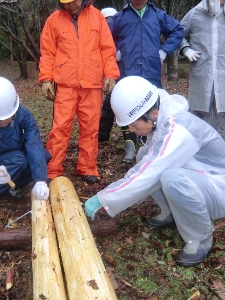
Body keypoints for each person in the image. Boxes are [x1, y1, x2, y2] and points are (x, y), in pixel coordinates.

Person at [85, 76, 225, 266]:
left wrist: (103, 199)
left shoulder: (179, 128)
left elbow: (149, 173)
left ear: (152, 114)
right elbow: (149, 164)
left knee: (171, 177)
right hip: (202, 180)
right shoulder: (161, 117)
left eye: (134, 125)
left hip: (222, 193)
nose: (131, 129)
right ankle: (169, 211)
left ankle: (200, 236)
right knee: (145, 154)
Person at [39, 0, 120, 184]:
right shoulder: (54, 20)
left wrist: (111, 74)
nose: (71, 5)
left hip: (92, 84)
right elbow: (47, 52)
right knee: (59, 128)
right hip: (65, 84)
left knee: (91, 128)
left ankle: (88, 166)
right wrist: (46, 78)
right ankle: (52, 168)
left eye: (74, 0)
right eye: (66, 2)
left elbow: (107, 50)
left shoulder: (97, 17)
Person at [99, 0, 184, 164]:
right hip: (127, 70)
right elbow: (103, 36)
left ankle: (156, 147)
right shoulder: (120, 18)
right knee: (127, 109)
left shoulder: (157, 15)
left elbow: (177, 30)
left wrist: (164, 51)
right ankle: (130, 149)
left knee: (154, 108)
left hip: (151, 70)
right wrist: (114, 50)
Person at [0, 76, 51, 220]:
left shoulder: (23, 115)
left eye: (8, 117)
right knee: (20, 159)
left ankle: (12, 185)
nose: (4, 121)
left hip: (16, 157)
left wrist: (40, 179)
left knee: (44, 155)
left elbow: (34, 143)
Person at [179, 0, 225, 145]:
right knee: (199, 115)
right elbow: (177, 32)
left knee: (223, 114)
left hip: (224, 73)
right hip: (201, 73)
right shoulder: (195, 13)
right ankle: (200, 155)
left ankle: (222, 156)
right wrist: (185, 49)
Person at [98, 6, 119, 143]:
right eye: (107, 19)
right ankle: (103, 133)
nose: (109, 21)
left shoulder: (121, 32)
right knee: (108, 104)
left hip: (125, 73)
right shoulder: (99, 34)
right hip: (108, 75)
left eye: (112, 18)